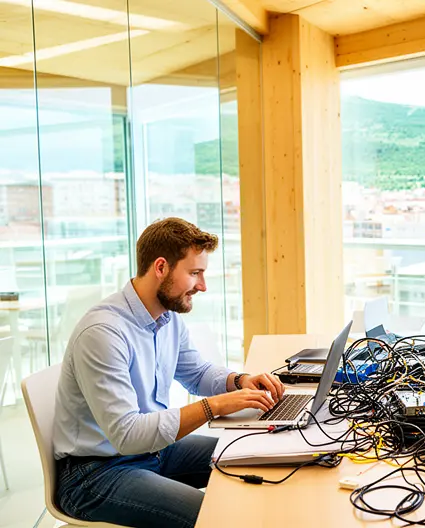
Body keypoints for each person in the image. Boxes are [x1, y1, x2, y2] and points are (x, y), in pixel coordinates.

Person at [53, 217, 286, 527]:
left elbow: (197, 373)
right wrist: (213, 407)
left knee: (262, 454)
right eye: (195, 273)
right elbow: (127, 435)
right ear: (160, 267)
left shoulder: (166, 317)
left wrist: (239, 381)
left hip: (154, 451)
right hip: (95, 473)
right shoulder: (103, 333)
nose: (202, 286)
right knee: (220, 517)